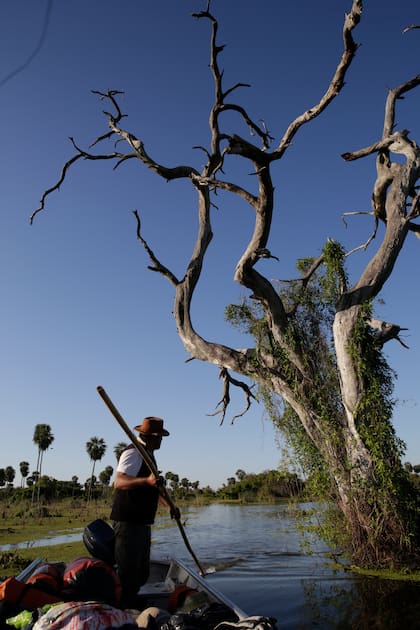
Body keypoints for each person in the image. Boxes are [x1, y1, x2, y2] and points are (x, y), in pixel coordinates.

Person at [110, 416, 174, 608]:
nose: (162, 441)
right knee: (128, 575)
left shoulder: (148, 454)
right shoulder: (134, 453)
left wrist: (170, 506)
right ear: (151, 437)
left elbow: (153, 489)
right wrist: (146, 481)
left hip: (141, 523)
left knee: (141, 574)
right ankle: (123, 612)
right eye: (160, 437)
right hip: (128, 522)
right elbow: (119, 482)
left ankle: (131, 605)